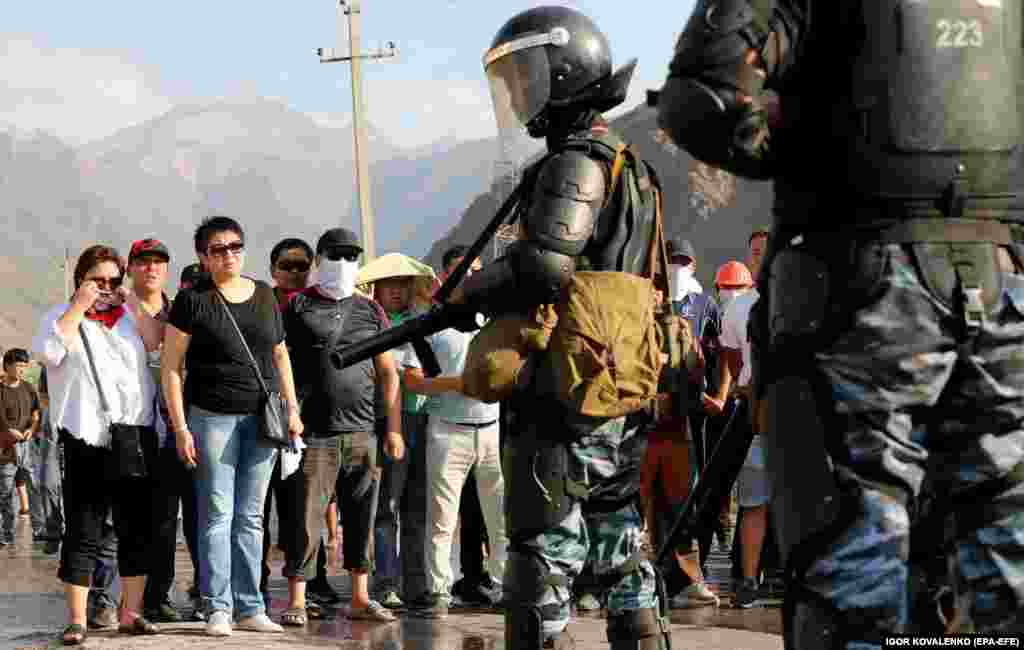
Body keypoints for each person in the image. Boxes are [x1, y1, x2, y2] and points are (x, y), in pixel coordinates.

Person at [657, 2, 1024, 642]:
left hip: (860, 288)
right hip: (1006, 285)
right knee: (1005, 563)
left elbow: (703, 99)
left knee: (853, 570)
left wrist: (821, 137)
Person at [459, 8, 671, 647]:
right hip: (617, 389)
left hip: (564, 391)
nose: (520, 94)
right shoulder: (628, 165)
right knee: (622, 554)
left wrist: (470, 293)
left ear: (565, 71)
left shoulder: (576, 162)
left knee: (538, 555)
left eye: (527, 76)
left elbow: (545, 265)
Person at [162, 216, 304, 637]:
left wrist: (292, 408)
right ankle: (217, 607)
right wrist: (181, 427)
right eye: (219, 249)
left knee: (252, 517)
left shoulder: (263, 295)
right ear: (203, 257)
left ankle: (251, 606)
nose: (229, 255)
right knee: (217, 515)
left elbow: (280, 356)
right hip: (211, 418)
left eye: (235, 246)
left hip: (262, 418)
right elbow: (171, 368)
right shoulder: (192, 301)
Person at [32, 244, 164, 645]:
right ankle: (77, 619)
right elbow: (48, 352)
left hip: (134, 434)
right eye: (97, 280)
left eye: (113, 280)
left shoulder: (128, 317)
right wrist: (78, 306)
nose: (106, 288)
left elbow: (156, 341)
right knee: (85, 529)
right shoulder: (59, 316)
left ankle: (131, 613)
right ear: (81, 279)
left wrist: (133, 304)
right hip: (86, 435)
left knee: (135, 529)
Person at [281, 227, 403, 624]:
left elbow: (388, 372)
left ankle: (360, 597)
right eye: (335, 255)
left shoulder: (371, 310)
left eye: (352, 256)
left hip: (364, 431)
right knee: (307, 518)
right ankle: (297, 599)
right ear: (319, 260)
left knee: (362, 517)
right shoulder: (298, 307)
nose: (344, 263)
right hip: (315, 433)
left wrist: (393, 428)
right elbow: (280, 362)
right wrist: (290, 413)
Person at [399, 249, 508, 620]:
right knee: (442, 518)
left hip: (491, 430)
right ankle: (439, 590)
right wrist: (458, 383)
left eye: (476, 271)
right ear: (445, 276)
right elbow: (414, 381)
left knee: (499, 517)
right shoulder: (429, 323)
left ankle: (505, 585)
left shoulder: (492, 317)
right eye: (462, 271)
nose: (470, 277)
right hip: (448, 431)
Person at [356, 252, 438, 610]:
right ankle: (386, 581)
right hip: (389, 421)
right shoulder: (373, 325)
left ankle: (417, 584)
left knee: (417, 507)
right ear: (376, 288)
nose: (395, 291)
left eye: (403, 285)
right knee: (387, 506)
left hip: (425, 420)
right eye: (389, 285)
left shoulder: (422, 322)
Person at [0, 348, 40, 546]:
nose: (23, 370)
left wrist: (32, 429)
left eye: (25, 366)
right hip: (5, 449)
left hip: (27, 447)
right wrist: (8, 430)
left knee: (33, 487)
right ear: (7, 366)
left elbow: (35, 413)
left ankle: (40, 530)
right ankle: (6, 535)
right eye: (19, 366)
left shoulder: (28, 388)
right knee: (6, 492)